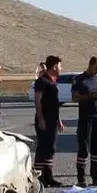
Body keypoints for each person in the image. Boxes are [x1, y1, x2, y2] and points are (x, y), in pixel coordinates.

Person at [72, 57, 97, 187]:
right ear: (90, 65)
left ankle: (96, 177)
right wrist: (90, 96)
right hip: (85, 118)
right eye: (96, 68)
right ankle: (81, 179)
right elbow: (74, 97)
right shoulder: (79, 79)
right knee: (83, 148)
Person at [33, 56, 66, 186]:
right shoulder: (42, 81)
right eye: (60, 66)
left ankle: (49, 177)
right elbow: (37, 100)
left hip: (53, 119)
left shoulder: (52, 81)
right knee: (43, 147)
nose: (61, 68)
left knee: (51, 148)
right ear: (55, 67)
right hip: (44, 119)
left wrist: (58, 120)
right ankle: (38, 178)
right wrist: (41, 118)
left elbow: (54, 104)